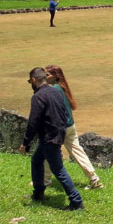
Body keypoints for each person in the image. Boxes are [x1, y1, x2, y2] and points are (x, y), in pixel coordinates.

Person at [20, 67, 84, 210]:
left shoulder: (38, 97)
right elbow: (63, 113)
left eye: (30, 81)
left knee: (59, 170)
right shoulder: (56, 91)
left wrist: (25, 142)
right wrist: (61, 134)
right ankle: (38, 193)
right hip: (56, 134)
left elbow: (33, 122)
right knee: (36, 161)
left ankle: (76, 201)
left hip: (49, 138)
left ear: (34, 80)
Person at [42, 65, 103, 189]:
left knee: (48, 152)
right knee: (77, 151)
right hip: (70, 126)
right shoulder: (62, 88)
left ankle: (45, 180)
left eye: (47, 75)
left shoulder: (55, 90)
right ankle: (94, 178)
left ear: (55, 76)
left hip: (61, 128)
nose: (44, 77)